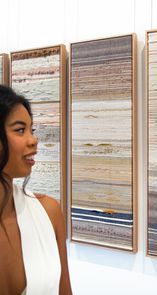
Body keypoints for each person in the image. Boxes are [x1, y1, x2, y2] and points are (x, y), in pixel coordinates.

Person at [0, 85, 73, 295]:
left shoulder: (48, 212)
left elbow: (64, 291)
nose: (34, 140)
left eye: (32, 130)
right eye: (20, 130)